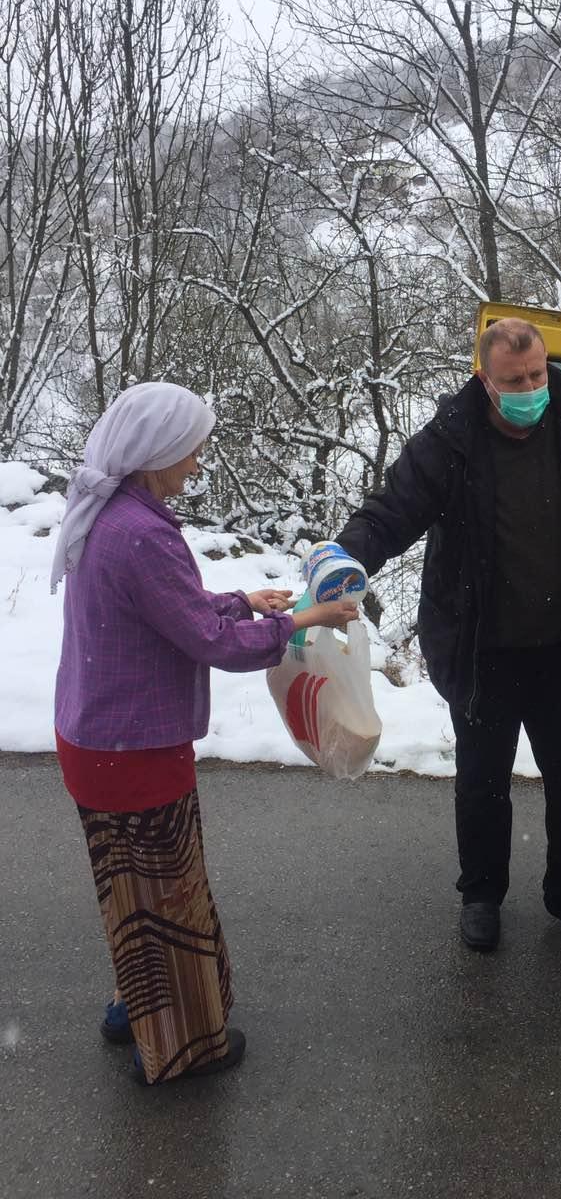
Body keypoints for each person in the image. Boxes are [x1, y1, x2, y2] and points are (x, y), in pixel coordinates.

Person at [52, 382, 358, 1086]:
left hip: (96, 741)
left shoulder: (112, 512)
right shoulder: (144, 533)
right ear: (154, 450)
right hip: (134, 751)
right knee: (170, 896)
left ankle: (137, 1003)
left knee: (130, 891)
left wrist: (242, 599)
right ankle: (180, 1044)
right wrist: (306, 621)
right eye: (190, 449)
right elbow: (211, 641)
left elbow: (170, 608)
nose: (197, 462)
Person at [336, 317, 561, 952]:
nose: (531, 387)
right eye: (514, 380)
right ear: (485, 380)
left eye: (538, 374)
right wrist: (347, 557)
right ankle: (482, 895)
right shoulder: (453, 437)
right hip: (482, 646)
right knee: (483, 782)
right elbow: (392, 510)